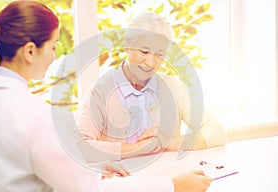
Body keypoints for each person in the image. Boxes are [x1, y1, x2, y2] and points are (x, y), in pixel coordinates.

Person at [0, 1, 212, 192]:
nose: (56, 54)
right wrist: (174, 185)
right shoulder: (31, 114)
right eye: (52, 45)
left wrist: (93, 166)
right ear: (30, 51)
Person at [77, 12, 228, 162]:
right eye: (144, 51)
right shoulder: (99, 93)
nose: (150, 62)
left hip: (168, 180)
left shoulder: (174, 87)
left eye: (159, 54)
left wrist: (167, 142)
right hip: (123, 183)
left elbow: (217, 131)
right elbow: (81, 148)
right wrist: (141, 147)